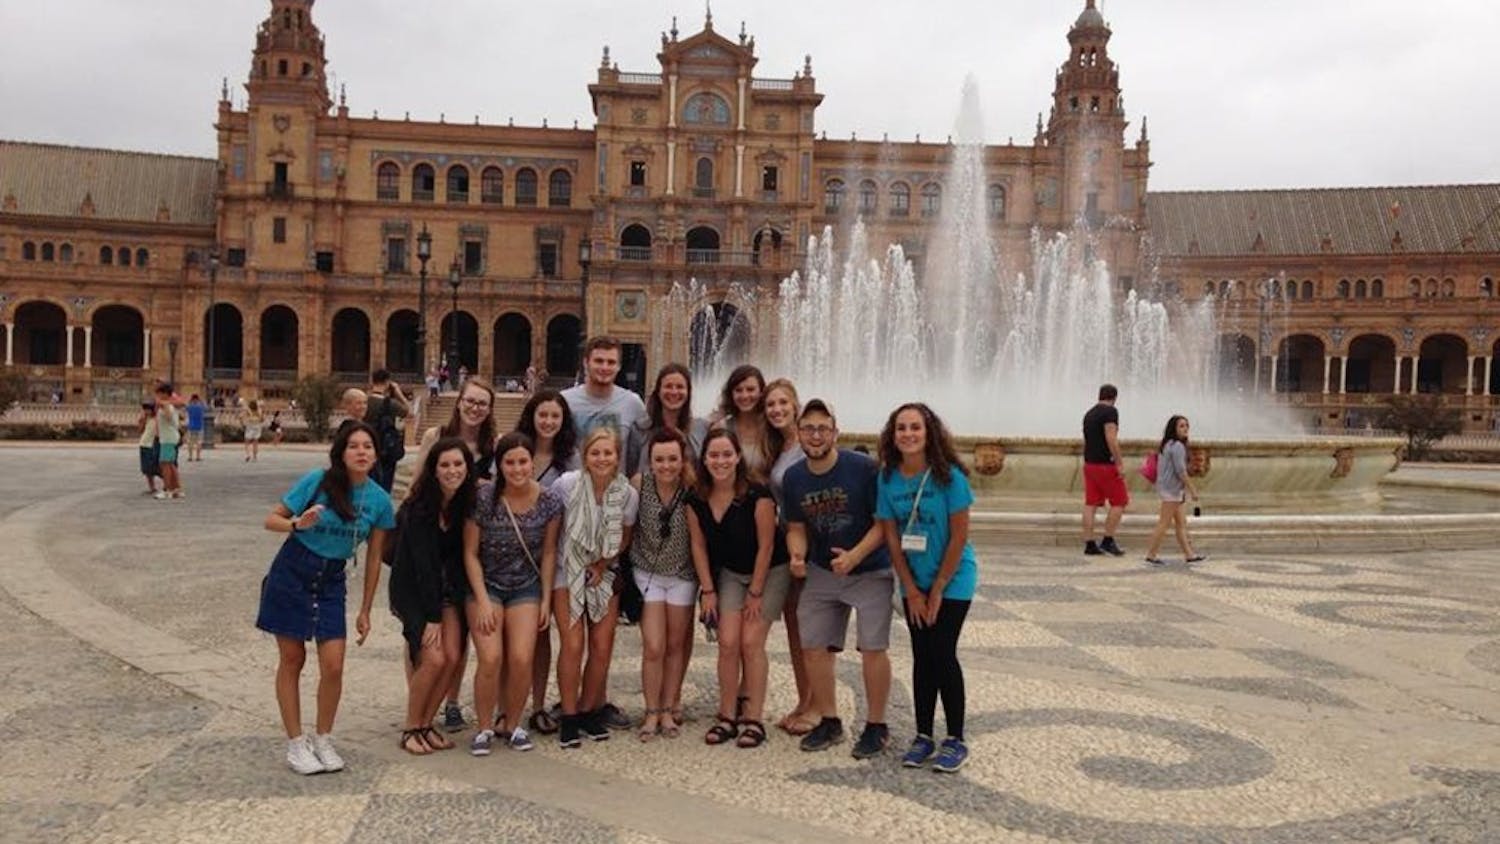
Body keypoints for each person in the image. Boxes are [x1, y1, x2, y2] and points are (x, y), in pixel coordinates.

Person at [256, 422, 395, 774]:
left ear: (376, 453)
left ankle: (323, 737)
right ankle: (295, 743)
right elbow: (270, 519)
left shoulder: (379, 500)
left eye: (368, 446)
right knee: (293, 659)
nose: (361, 452)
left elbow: (375, 557)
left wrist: (365, 610)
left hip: (332, 580)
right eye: (353, 446)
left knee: (333, 664)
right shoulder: (317, 482)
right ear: (341, 452)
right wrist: (295, 524)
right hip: (292, 572)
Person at [783, 398, 894, 758]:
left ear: (835, 432)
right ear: (798, 433)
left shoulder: (863, 468)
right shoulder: (794, 476)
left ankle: (876, 726)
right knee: (813, 645)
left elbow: (883, 523)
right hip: (821, 570)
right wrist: (797, 553)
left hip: (870, 567)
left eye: (822, 428)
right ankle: (829, 720)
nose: (815, 436)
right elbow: (796, 526)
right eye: (808, 428)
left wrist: (855, 556)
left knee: (873, 648)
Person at [876, 402, 979, 774]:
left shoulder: (949, 477)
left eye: (915, 427)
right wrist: (911, 588)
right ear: (893, 434)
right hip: (913, 580)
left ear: (928, 431)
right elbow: (890, 536)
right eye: (901, 428)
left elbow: (959, 536)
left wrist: (936, 587)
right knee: (922, 655)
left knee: (942, 652)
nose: (908, 434)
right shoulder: (887, 478)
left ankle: (955, 738)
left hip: (953, 579)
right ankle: (923, 735)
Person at [687, 428, 786, 749]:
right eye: (713, 455)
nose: (720, 461)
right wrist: (708, 590)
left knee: (751, 641)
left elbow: (767, 546)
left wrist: (756, 592)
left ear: (738, 457)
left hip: (769, 571)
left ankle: (754, 719)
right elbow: (698, 545)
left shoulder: (757, 494)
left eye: (727, 454)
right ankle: (727, 714)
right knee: (728, 642)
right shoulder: (696, 497)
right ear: (704, 459)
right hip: (730, 572)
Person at [464, 432, 562, 755]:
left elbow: (549, 554)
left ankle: (514, 722)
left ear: (532, 462)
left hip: (525, 586)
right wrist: (480, 599)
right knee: (491, 656)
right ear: (499, 464)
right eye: (510, 462)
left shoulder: (549, 500)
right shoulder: (484, 497)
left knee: (522, 658)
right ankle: (483, 726)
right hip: (487, 584)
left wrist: (546, 598)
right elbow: (470, 553)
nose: (517, 469)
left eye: (523, 461)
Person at [552, 427, 639, 747]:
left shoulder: (627, 494)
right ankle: (570, 715)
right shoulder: (567, 485)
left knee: (602, 646)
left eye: (608, 453)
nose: (602, 459)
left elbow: (626, 535)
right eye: (596, 453)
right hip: (567, 570)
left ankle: (590, 710)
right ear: (585, 456)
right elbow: (553, 528)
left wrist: (603, 564)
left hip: (604, 570)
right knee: (573, 644)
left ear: (617, 456)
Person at [389, 437, 475, 755]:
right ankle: (412, 726)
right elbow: (423, 567)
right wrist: (432, 618)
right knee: (434, 657)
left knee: (453, 657)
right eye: (445, 465)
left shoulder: (464, 503)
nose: (452, 471)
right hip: (414, 592)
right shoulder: (419, 508)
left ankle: (427, 723)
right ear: (434, 470)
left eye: (458, 464)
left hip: (448, 591)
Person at [628, 429, 698, 740]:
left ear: (682, 460)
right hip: (648, 574)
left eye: (672, 459)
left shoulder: (692, 488)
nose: (666, 465)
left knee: (674, 646)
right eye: (659, 459)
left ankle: (669, 708)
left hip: (682, 575)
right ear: (650, 461)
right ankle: (651, 710)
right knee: (654, 645)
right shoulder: (639, 485)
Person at [762, 378, 815, 736]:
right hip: (787, 544)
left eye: (783, 403)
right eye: (771, 405)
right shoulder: (780, 446)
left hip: (810, 546)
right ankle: (804, 700)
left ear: (795, 405)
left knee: (812, 628)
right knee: (796, 626)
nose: (777, 410)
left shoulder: (810, 443)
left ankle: (817, 708)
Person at [624, 362, 709, 477]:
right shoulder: (639, 430)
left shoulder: (702, 428)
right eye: (668, 386)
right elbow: (630, 472)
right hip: (648, 493)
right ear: (658, 391)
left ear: (688, 392)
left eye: (680, 387)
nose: (674, 392)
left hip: (691, 493)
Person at [1143, 415, 1206, 566]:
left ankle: (1189, 554)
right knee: (1164, 523)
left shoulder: (1167, 444)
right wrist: (1192, 490)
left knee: (1180, 523)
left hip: (1169, 488)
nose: (1185, 429)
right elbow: (1181, 471)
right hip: (1172, 490)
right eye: (1182, 426)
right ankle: (1151, 554)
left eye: (1186, 426)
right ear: (1174, 429)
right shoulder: (1177, 446)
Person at [561, 336, 647, 444]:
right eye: (599, 361)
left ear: (619, 366)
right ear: (586, 363)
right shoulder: (565, 401)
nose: (604, 368)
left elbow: (642, 449)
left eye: (611, 362)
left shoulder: (632, 403)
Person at [416, 378, 498, 483]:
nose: (475, 408)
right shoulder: (434, 437)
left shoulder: (495, 445)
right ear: (459, 403)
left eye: (482, 404)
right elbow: (415, 485)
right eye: (470, 401)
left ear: (489, 410)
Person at [1081, 383, 1128, 557]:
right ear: (1114, 398)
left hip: (1090, 464)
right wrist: (1119, 463)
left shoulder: (1089, 414)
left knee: (1090, 504)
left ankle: (1089, 543)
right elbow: (1111, 438)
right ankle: (1108, 540)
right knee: (1120, 501)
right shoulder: (1110, 412)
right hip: (1105, 465)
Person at [712, 365, 770, 481]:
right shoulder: (721, 428)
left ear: (761, 392)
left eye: (750, 389)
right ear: (731, 394)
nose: (744, 396)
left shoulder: (771, 426)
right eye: (738, 390)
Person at [363, 371, 410, 492]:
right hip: (386, 448)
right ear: (388, 383)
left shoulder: (364, 401)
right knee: (384, 485)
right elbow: (408, 411)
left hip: (367, 445)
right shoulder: (390, 403)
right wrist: (398, 393)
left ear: (372, 381)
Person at [153, 383, 183, 500]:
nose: (157, 396)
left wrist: (163, 403)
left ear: (165, 394)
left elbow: (168, 414)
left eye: (159, 393)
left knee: (165, 464)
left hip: (168, 439)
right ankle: (177, 488)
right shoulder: (168, 405)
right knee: (170, 464)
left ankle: (167, 489)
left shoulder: (167, 406)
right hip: (168, 437)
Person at [137, 400, 161, 496]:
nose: (146, 412)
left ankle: (168, 484)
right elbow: (140, 431)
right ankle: (152, 487)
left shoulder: (157, 418)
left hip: (152, 444)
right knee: (146, 469)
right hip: (144, 443)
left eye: (148, 410)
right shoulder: (145, 419)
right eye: (145, 410)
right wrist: (141, 421)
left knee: (155, 467)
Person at [184, 394, 206, 461]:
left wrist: (189, 401)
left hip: (191, 426)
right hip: (199, 426)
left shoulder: (190, 407)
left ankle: (190, 457)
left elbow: (186, 407)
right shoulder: (200, 407)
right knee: (199, 442)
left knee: (190, 442)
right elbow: (205, 406)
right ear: (197, 399)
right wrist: (201, 400)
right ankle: (198, 457)